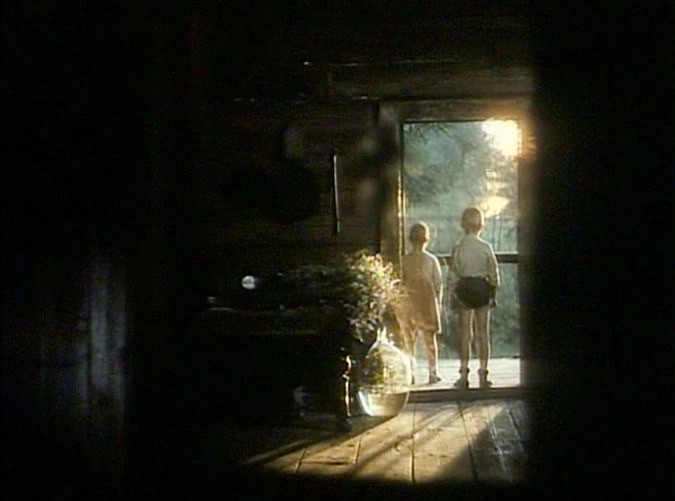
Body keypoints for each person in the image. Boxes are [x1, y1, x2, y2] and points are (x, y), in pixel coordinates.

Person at [448, 207, 500, 389]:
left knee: (465, 333)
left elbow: (453, 274)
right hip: (482, 289)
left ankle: (464, 375)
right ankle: (483, 373)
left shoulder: (458, 248)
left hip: (464, 289)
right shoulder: (486, 247)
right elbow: (493, 273)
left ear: (463, 225)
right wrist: (493, 289)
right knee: (482, 334)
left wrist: (452, 292)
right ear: (481, 225)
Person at [401, 222, 444, 384]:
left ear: (410, 239)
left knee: (409, 340)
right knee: (430, 339)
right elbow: (438, 284)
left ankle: (410, 373)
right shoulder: (431, 260)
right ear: (427, 239)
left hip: (410, 303)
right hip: (428, 303)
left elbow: (400, 283)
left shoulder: (404, 260)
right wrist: (438, 303)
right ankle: (433, 372)